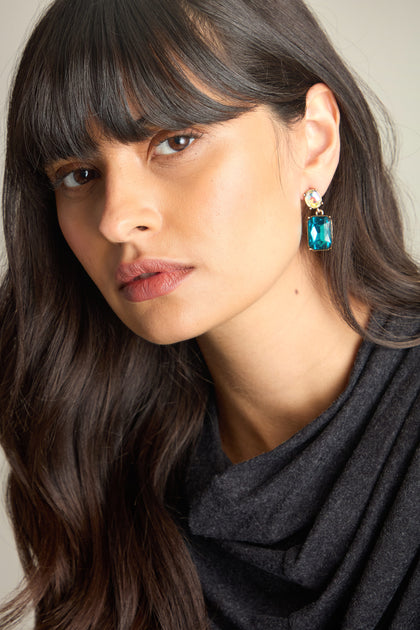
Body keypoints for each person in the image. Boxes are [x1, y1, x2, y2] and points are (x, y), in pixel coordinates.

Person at [0, 0, 418, 628]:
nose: (117, 219)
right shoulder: (97, 456)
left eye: (176, 140)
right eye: (79, 174)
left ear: (315, 141)